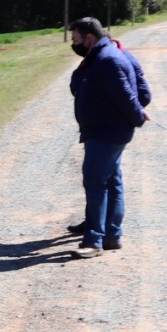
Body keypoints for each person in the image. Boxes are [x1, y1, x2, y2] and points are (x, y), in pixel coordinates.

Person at [66, 17, 149, 257]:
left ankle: (94, 241)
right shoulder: (100, 56)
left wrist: (138, 117)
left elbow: (126, 96)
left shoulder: (107, 60)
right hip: (104, 130)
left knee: (95, 182)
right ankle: (112, 236)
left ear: (89, 38)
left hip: (107, 132)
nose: (74, 44)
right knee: (111, 181)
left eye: (76, 39)